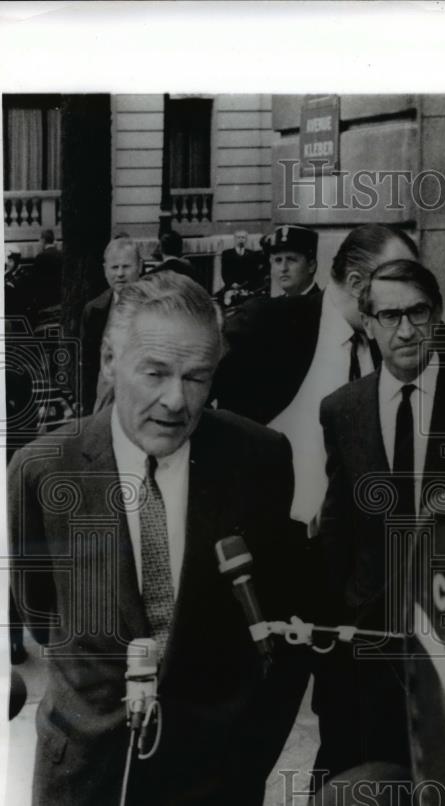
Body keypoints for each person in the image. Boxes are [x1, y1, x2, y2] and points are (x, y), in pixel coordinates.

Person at [8, 271, 308, 805]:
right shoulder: (43, 471)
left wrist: (249, 757)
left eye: (197, 377)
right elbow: (40, 612)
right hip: (83, 775)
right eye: (156, 373)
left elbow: (280, 630)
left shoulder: (259, 459)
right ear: (109, 362)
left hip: (213, 777)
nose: (176, 400)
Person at [312, 259, 445, 784]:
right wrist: (333, 643)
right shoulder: (343, 409)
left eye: (418, 312)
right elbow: (337, 530)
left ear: (437, 313)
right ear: (369, 324)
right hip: (368, 648)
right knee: (368, 782)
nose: (405, 330)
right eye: (390, 315)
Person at [214, 224, 418, 524]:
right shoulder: (269, 325)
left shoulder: (388, 345)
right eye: (400, 284)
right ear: (356, 282)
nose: (409, 302)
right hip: (278, 541)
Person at [79, 236, 144, 413]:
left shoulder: (154, 305)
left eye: (126, 266)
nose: (120, 274)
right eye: (114, 267)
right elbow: (89, 368)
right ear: (105, 270)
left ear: (139, 266)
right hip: (105, 404)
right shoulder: (94, 310)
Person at [265, 224, 322, 297]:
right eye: (278, 260)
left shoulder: (324, 304)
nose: (283, 268)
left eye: (291, 260)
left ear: (311, 266)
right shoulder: (274, 306)